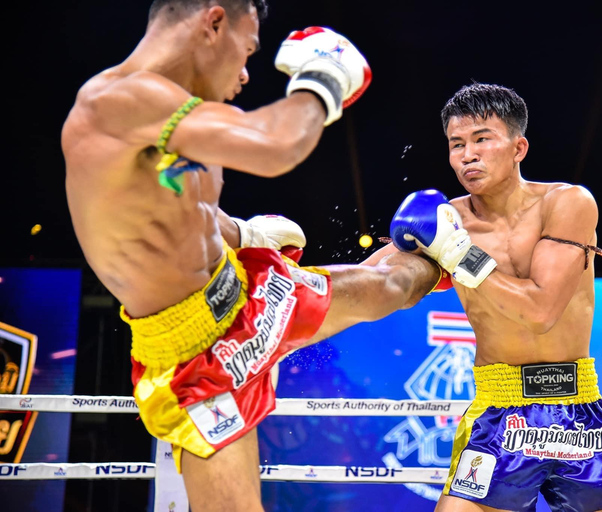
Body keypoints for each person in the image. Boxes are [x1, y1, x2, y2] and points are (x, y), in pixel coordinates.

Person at [61, 1, 441, 510]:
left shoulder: (175, 117)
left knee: (392, 286)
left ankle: (454, 248)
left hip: (245, 290)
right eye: (247, 51)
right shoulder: (117, 101)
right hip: (194, 355)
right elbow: (275, 145)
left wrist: (242, 232)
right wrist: (324, 77)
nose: (244, 74)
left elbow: (179, 201)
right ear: (214, 22)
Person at [368, 83, 602, 511]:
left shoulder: (567, 203)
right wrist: (289, 274)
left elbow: (540, 311)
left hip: (579, 415)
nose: (467, 155)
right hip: (497, 414)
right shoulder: (448, 220)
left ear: (518, 147)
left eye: (482, 139)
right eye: (456, 144)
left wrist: (459, 252)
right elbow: (370, 281)